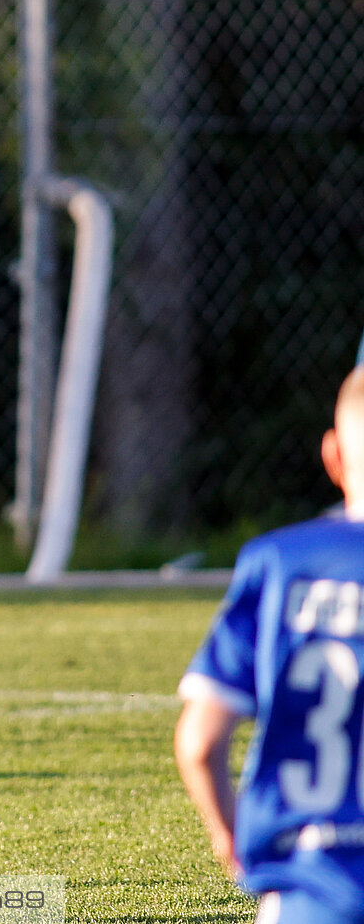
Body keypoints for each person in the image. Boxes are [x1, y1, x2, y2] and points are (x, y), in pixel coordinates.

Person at [177, 367, 364, 923]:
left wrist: (230, 840)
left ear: (333, 456)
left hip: (310, 891)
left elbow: (199, 744)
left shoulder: (280, 562)